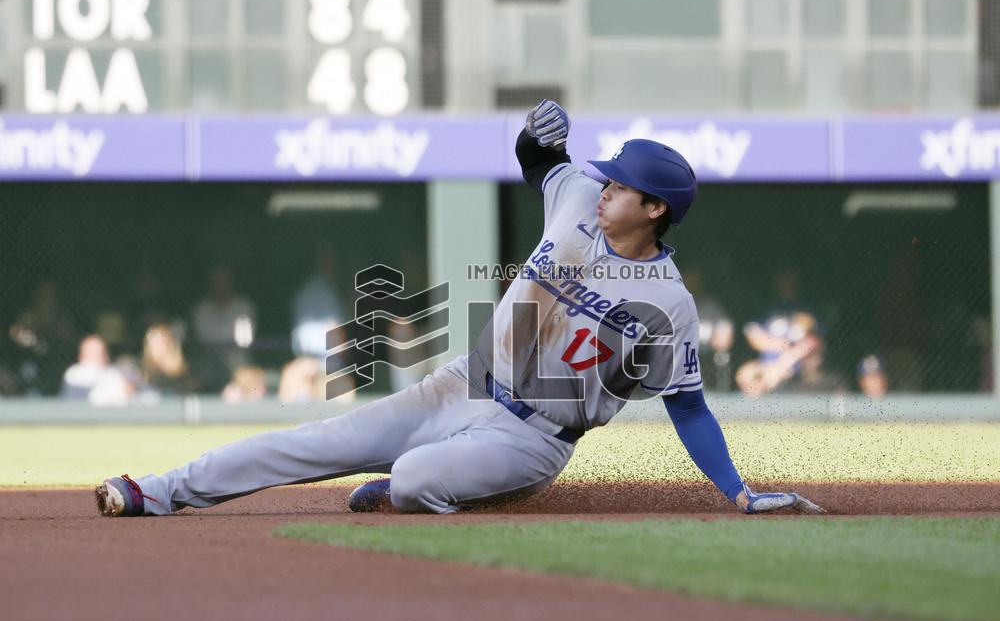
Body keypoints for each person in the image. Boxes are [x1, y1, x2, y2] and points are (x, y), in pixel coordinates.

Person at [95, 100, 823, 518]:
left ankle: (416, 486)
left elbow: (688, 407)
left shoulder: (668, 304)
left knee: (415, 479)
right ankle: (157, 491)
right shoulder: (578, 198)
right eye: (607, 178)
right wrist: (534, 135)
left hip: (534, 439)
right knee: (317, 441)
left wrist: (739, 493)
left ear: (656, 208)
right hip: (463, 383)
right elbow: (541, 163)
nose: (604, 187)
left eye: (621, 186)